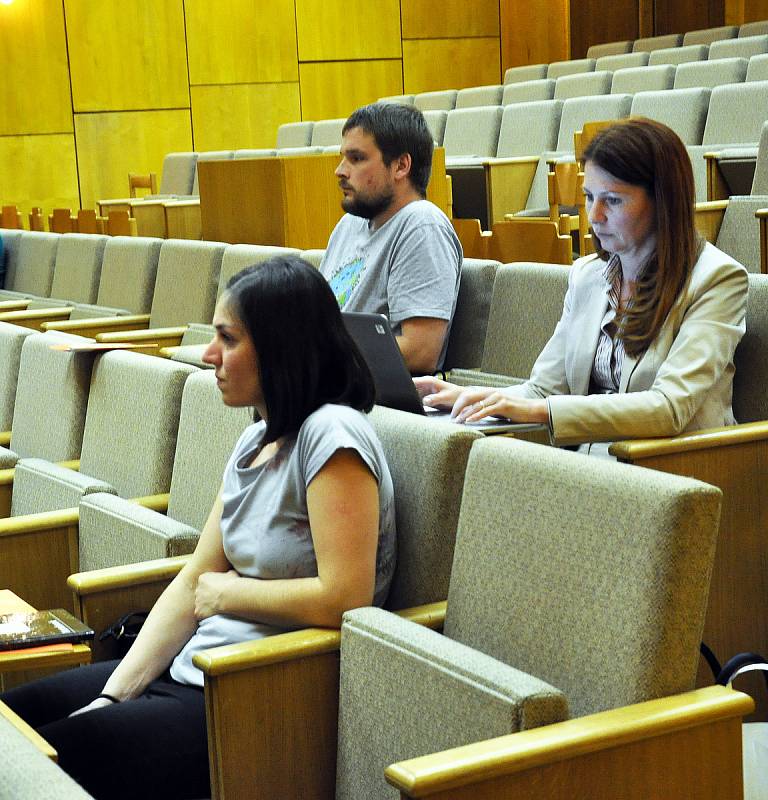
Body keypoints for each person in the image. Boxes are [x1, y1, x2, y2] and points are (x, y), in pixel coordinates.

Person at [1, 257, 397, 800]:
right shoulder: (257, 437)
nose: (209, 355)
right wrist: (115, 696)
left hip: (250, 691)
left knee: (34, 766)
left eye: (228, 339)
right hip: (189, 667)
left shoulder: (333, 435)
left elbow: (348, 595)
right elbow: (195, 580)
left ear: (282, 348)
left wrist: (229, 592)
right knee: (11, 720)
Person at [415, 118, 748, 450]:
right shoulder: (587, 275)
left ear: (663, 200)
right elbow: (544, 391)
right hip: (588, 462)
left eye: (613, 200)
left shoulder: (716, 279)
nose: (594, 215)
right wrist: (469, 396)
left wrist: (541, 411)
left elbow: (669, 408)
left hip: (671, 465)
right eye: (589, 197)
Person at [320, 102, 462, 374]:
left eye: (357, 158)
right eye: (342, 158)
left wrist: (319, 356)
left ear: (401, 166)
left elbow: (420, 352)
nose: (340, 170)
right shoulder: (349, 224)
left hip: (373, 403)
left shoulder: (421, 226)